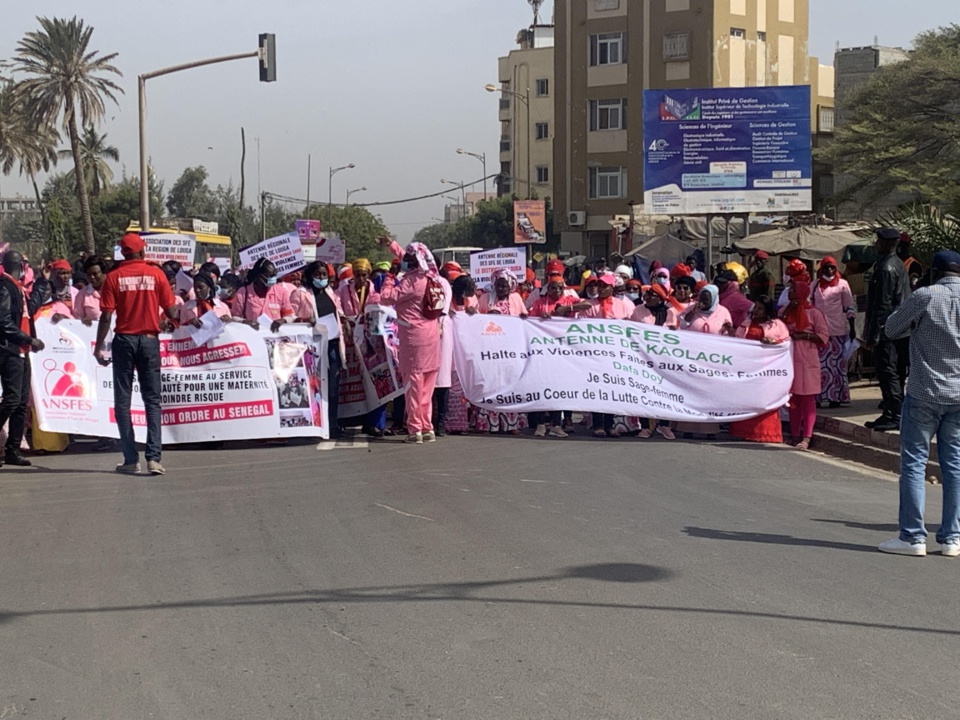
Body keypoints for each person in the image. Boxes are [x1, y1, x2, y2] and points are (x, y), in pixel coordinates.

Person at [878, 250, 960, 557]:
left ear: (934, 272)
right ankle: (952, 538)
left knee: (914, 464)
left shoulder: (925, 295)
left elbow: (891, 329)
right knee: (955, 467)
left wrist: (918, 326)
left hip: (925, 391)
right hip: (959, 395)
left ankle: (912, 537)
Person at [95, 233, 178, 475]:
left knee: (123, 402)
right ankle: (154, 458)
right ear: (142, 251)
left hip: (124, 341)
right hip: (150, 341)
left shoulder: (113, 277)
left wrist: (99, 345)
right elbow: (171, 309)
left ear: (123, 253)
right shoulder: (156, 274)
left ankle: (131, 460)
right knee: (152, 401)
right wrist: (176, 320)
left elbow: (107, 316)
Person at [379, 239, 443, 444]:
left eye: (406, 259)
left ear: (414, 262)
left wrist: (390, 277)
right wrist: (392, 245)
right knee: (427, 386)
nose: (402, 261)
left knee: (413, 385)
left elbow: (386, 297)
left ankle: (415, 428)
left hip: (414, 338)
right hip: (431, 337)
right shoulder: (432, 276)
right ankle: (427, 427)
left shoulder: (411, 281)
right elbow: (411, 257)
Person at [0, 251, 45, 467]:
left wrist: (43, 284)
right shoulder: (5, 287)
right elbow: (4, 322)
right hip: (9, 349)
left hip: (20, 350)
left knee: (20, 402)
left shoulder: (17, 288)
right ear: (19, 266)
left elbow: (30, 310)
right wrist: (27, 338)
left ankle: (13, 450)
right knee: (11, 398)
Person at [864, 227, 911, 432]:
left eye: (879, 241)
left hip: (888, 329)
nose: (876, 244)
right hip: (901, 327)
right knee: (897, 371)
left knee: (887, 372)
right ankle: (892, 413)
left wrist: (874, 333)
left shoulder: (886, 268)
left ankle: (894, 414)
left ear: (888, 243)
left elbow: (882, 304)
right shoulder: (897, 264)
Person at [728, 297, 790, 443]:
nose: (756, 311)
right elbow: (738, 342)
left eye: (760, 308)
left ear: (767, 310)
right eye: (755, 307)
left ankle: (765, 433)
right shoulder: (746, 323)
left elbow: (787, 343)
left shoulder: (777, 325)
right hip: (748, 369)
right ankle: (743, 431)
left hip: (768, 370)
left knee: (765, 400)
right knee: (747, 399)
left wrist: (774, 342)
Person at [475, 268, 529, 435]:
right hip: (490, 350)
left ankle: (511, 424)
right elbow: (475, 320)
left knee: (510, 385)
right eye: (498, 285)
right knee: (491, 385)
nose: (501, 288)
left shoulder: (516, 298)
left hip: (510, 350)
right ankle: (489, 424)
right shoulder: (485, 298)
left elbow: (524, 319)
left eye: (504, 285)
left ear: (511, 285)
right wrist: (487, 317)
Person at [781, 280, 829, 450]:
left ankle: (806, 437)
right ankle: (794, 435)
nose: (789, 293)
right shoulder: (785, 312)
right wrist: (789, 309)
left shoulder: (814, 313)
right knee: (793, 399)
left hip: (808, 359)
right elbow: (778, 325)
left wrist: (804, 336)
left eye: (793, 290)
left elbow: (823, 336)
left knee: (808, 399)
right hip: (790, 359)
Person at [303, 261, 348, 439]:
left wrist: (344, 320)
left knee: (333, 386)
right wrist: (306, 320)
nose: (322, 278)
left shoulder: (331, 293)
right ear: (310, 276)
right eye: (318, 275)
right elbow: (292, 317)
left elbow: (339, 312)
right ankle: (316, 425)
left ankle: (332, 423)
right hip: (312, 346)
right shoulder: (301, 294)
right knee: (314, 386)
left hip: (333, 345)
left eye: (324, 275)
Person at [811, 257, 856, 408]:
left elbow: (849, 307)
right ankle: (819, 397)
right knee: (820, 365)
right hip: (819, 330)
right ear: (821, 269)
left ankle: (836, 397)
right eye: (826, 267)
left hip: (837, 330)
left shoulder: (843, 284)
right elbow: (810, 305)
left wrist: (853, 328)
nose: (829, 270)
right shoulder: (815, 285)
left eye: (832, 267)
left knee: (836, 364)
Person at [445, 274, 478, 435]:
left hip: (464, 349)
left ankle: (460, 424)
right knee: (449, 388)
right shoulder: (447, 300)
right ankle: (447, 423)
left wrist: (473, 314)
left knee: (461, 389)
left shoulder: (470, 302)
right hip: (448, 349)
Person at [231, 258, 294, 332]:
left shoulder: (281, 292)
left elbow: (290, 316)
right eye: (269, 275)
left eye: (274, 274)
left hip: (274, 337)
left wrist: (283, 320)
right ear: (259, 276)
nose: (272, 278)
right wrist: (245, 321)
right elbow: (234, 317)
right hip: (251, 335)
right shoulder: (243, 292)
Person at [73, 256, 107, 325]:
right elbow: (77, 318)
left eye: (95, 274)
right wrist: (83, 319)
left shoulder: (115, 291)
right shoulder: (82, 294)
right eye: (89, 275)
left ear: (104, 274)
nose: (92, 277)